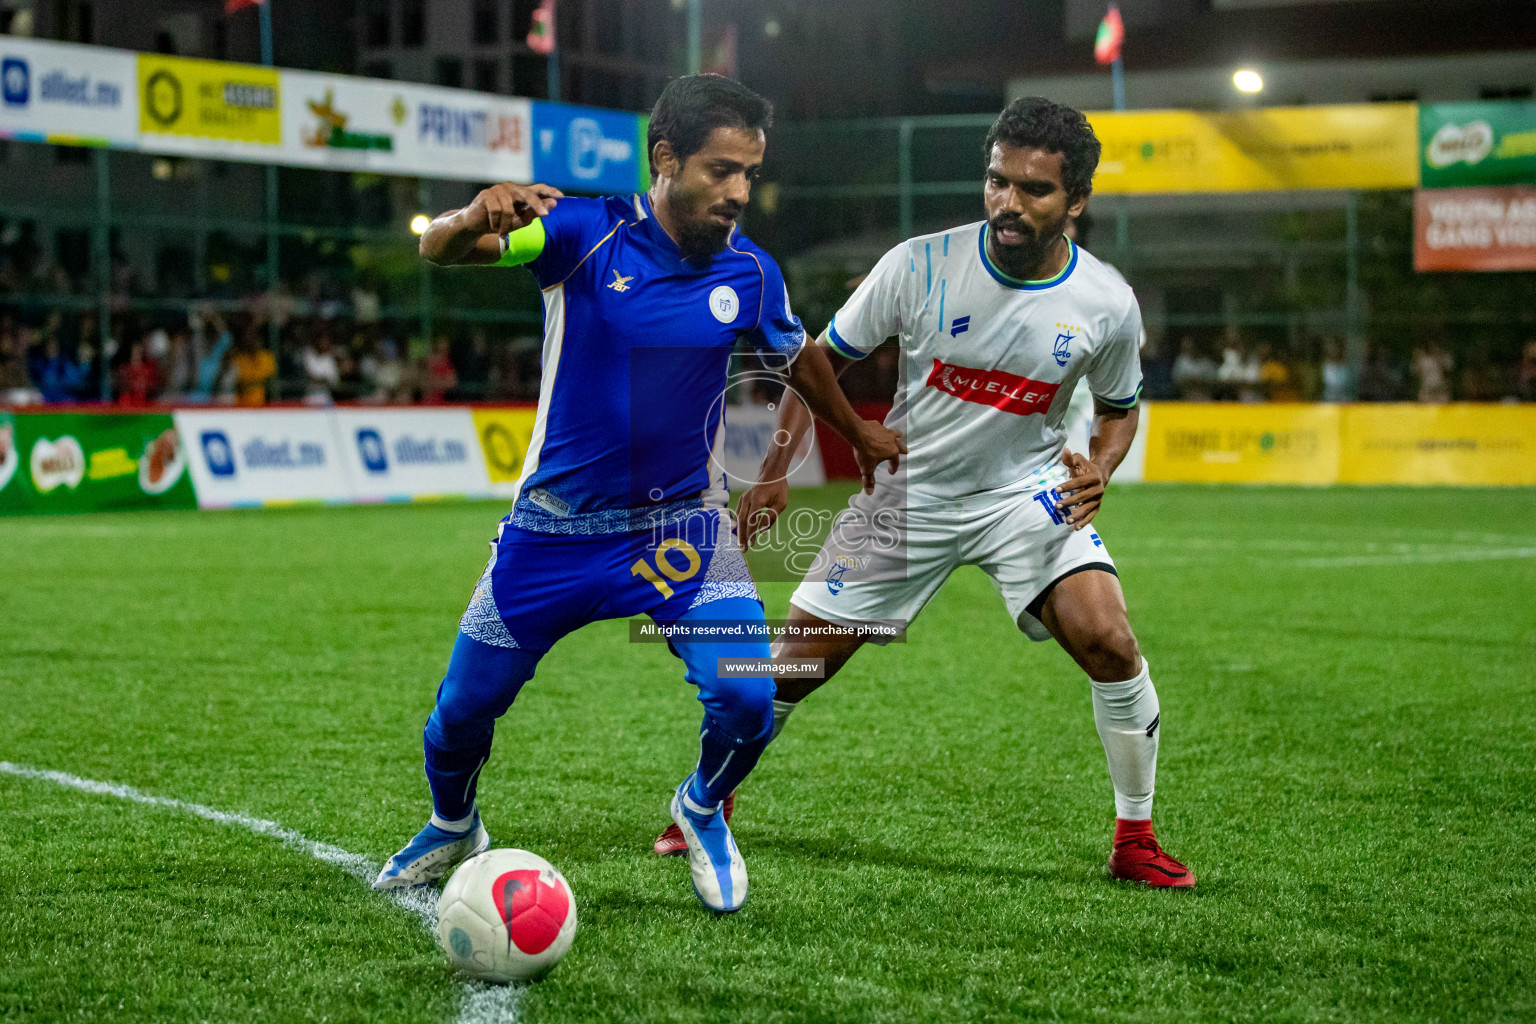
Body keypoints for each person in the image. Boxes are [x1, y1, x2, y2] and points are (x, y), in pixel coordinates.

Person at [373, 75, 905, 914]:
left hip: (678, 532)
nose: (737, 193)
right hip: (551, 535)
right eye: (720, 170)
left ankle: (699, 808)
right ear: (665, 159)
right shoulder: (582, 230)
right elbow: (438, 251)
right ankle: (453, 824)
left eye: (749, 176)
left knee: (748, 695)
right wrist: (472, 217)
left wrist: (855, 432)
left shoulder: (752, 272)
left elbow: (798, 355)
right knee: (459, 714)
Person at [650, 96, 1195, 889]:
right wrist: (773, 472)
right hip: (909, 497)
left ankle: (1134, 838)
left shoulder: (1106, 303)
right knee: (787, 674)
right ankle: (708, 801)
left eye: (1034, 190)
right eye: (997, 182)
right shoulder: (919, 264)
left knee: (1110, 642)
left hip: (1026, 499)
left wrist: (1100, 468)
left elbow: (1119, 411)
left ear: (1075, 200)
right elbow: (818, 364)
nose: (1009, 203)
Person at [230, 326, 276, 408]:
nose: (250, 341)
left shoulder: (267, 357)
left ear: (259, 340)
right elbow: (237, 383)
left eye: (253, 338)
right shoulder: (238, 359)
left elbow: (271, 382)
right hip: (241, 405)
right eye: (247, 338)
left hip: (265, 404)